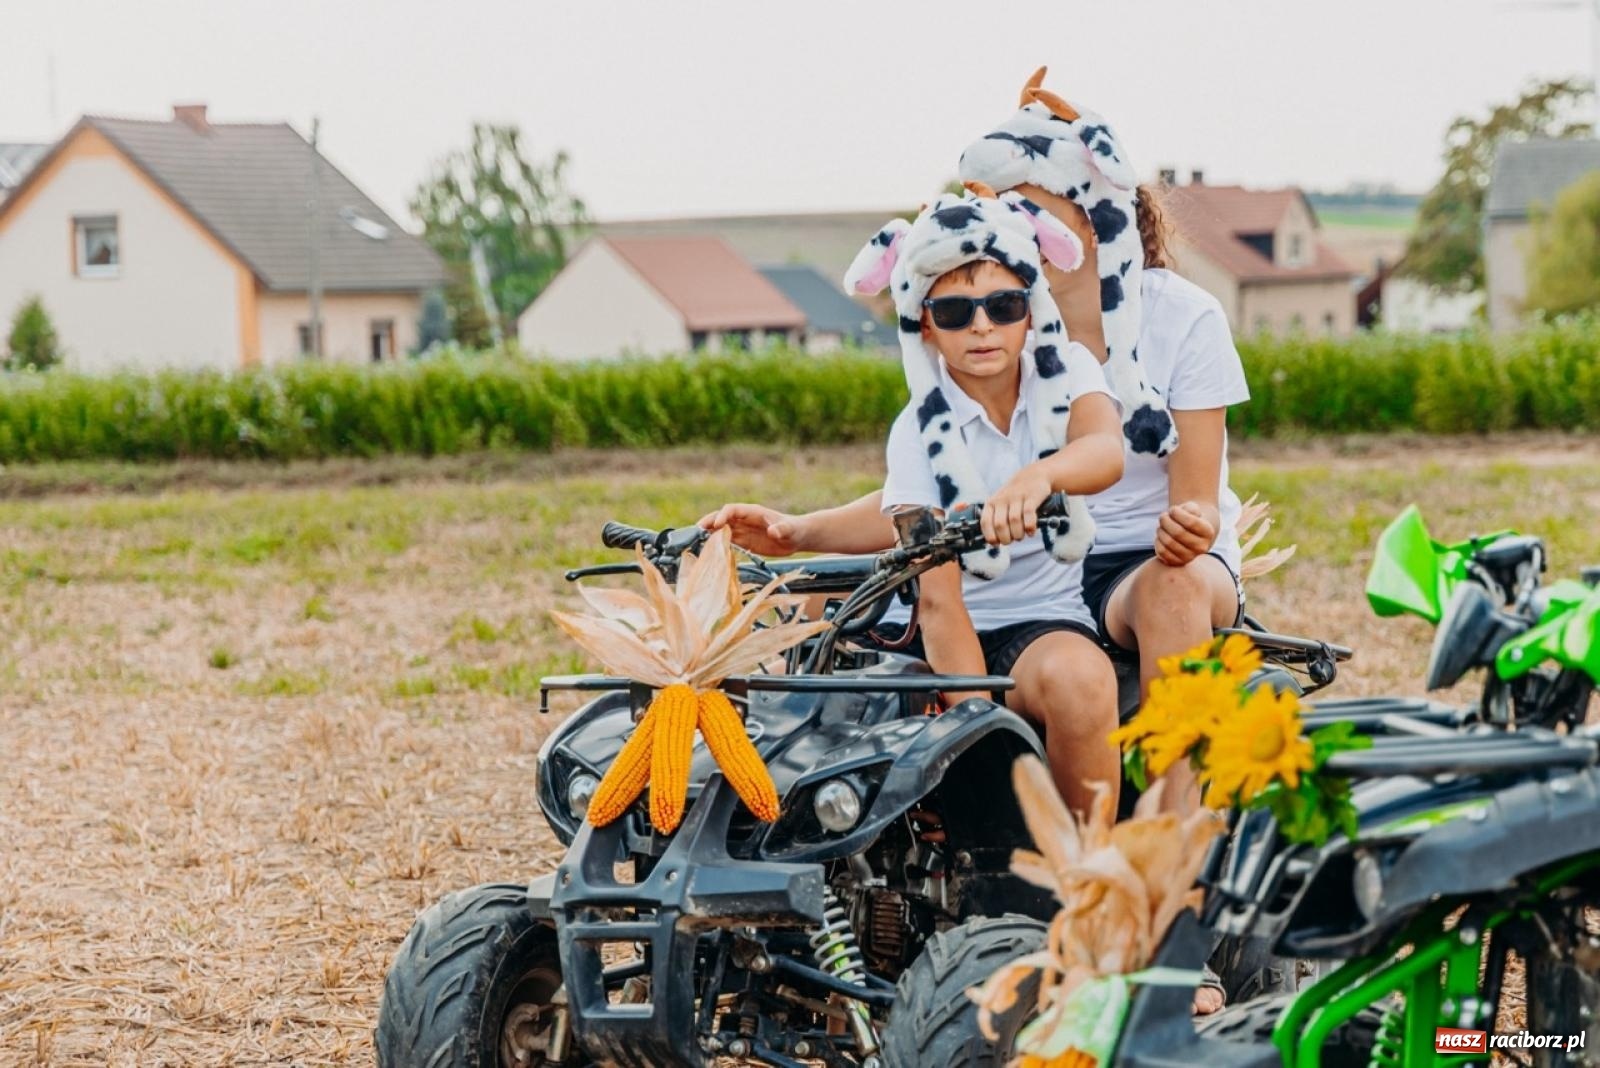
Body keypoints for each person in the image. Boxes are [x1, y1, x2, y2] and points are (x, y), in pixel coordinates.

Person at [726, 188, 1124, 816]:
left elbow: (1105, 450)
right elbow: (937, 597)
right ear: (926, 325)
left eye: (1003, 304)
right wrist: (982, 737)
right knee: (825, 660)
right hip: (942, 629)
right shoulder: (918, 428)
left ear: (1031, 307)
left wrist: (1039, 478)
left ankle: (1083, 876)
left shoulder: (1069, 371)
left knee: (1084, 681)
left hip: (1041, 619)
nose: (983, 326)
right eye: (957, 312)